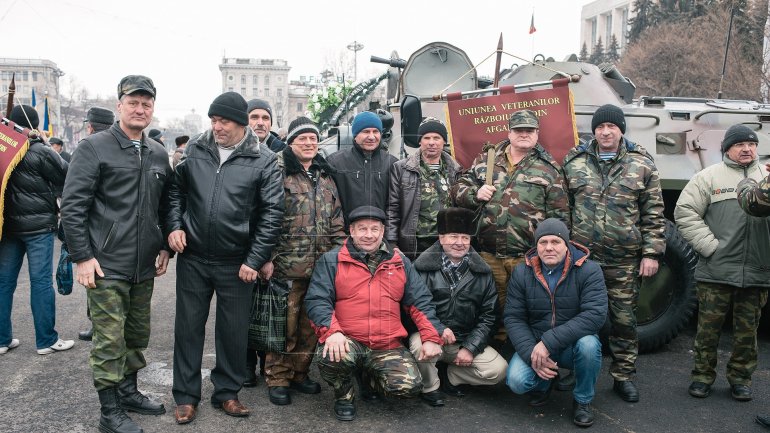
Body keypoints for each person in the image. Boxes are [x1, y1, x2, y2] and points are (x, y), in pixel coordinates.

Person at [61, 75, 171, 433]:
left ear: (152, 108)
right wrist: (81, 256)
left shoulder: (156, 151)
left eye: (146, 103)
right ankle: (109, 413)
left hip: (143, 264)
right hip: (105, 264)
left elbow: (167, 203)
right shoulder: (94, 147)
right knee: (110, 339)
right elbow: (73, 207)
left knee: (137, 334)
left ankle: (128, 392)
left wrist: (166, 245)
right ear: (119, 105)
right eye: (133, 102)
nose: (140, 109)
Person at [167, 91, 284, 424]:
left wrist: (255, 257)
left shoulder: (263, 160)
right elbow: (176, 192)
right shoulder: (195, 149)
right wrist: (174, 226)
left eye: (225, 121)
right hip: (193, 257)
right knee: (188, 328)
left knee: (233, 331)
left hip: (237, 262)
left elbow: (272, 213)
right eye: (214, 120)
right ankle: (186, 396)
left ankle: (227, 393)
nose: (217, 127)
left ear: (242, 123)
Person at [562, 104, 665, 402]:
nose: (606, 132)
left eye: (612, 127)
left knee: (624, 320)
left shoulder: (641, 163)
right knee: (575, 318)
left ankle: (623, 376)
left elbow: (654, 212)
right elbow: (562, 209)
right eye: (600, 127)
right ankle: (572, 370)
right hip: (582, 259)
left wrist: (652, 253)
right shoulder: (575, 161)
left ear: (621, 129)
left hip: (624, 260)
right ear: (593, 130)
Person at [305, 205, 444, 421]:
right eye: (362, 229)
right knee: (331, 357)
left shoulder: (400, 262)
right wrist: (332, 332)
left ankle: (368, 378)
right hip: (348, 339)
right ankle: (344, 396)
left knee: (408, 387)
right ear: (351, 231)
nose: (368, 235)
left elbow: (420, 301)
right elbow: (317, 300)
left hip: (386, 343)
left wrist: (430, 337)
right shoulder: (332, 260)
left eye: (374, 229)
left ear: (382, 232)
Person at [453, 109, 569, 342]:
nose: (524, 134)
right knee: (489, 311)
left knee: (526, 313)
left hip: (526, 258)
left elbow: (560, 217)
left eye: (529, 130)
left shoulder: (549, 169)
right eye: (519, 130)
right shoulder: (487, 160)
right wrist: (475, 193)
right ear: (509, 132)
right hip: (488, 255)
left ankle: (524, 359)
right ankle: (493, 365)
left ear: (537, 134)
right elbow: (457, 191)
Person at [675, 124, 770, 402]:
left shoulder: (766, 177)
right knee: (707, 331)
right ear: (727, 148)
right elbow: (685, 212)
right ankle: (702, 378)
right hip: (716, 270)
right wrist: (710, 248)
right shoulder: (708, 177)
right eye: (740, 144)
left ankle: (741, 380)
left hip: (757, 270)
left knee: (747, 333)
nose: (747, 149)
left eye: (751, 144)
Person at [255, 116, 346, 405]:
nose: (308, 143)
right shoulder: (276, 171)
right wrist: (265, 257)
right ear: (291, 142)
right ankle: (278, 377)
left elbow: (337, 219)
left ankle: (299, 373)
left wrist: (339, 256)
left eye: (313, 138)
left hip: (321, 266)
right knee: (284, 325)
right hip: (286, 265)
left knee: (311, 325)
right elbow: (264, 217)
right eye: (302, 138)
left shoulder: (325, 173)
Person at [504, 218, 606, 427]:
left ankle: (582, 400)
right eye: (543, 242)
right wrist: (530, 353)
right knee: (516, 381)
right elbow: (514, 317)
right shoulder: (522, 272)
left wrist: (548, 343)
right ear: (536, 246)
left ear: (566, 245)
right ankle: (544, 382)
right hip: (536, 343)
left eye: (555, 242)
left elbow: (595, 315)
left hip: (571, 344)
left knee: (589, 345)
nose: (549, 247)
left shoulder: (589, 270)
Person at [409, 207, 507, 407]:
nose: (459, 243)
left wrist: (471, 348)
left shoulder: (483, 272)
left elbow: (490, 315)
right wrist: (436, 330)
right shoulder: (420, 267)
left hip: (463, 339)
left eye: (465, 237)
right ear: (441, 237)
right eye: (454, 236)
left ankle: (452, 376)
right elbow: (416, 305)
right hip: (429, 336)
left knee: (498, 370)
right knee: (420, 345)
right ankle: (431, 386)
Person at [0, 104, 71, 356]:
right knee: (40, 281)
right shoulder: (39, 150)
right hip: (38, 227)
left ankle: (2, 339)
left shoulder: (4, 150)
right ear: (34, 125)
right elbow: (65, 175)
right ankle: (46, 340)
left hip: (7, 226)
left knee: (4, 282)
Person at [387, 117, 462, 260]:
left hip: (447, 245)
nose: (431, 142)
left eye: (437, 137)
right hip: (415, 246)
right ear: (419, 141)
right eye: (426, 137)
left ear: (444, 141)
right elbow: (392, 208)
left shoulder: (456, 170)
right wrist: (392, 243)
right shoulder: (402, 169)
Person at [77, 106, 117, 343]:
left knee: (96, 284)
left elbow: (74, 203)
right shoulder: (112, 146)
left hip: (95, 234)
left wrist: (80, 252)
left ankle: (97, 324)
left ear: (90, 126)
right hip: (112, 235)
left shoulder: (88, 147)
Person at [327, 111, 398, 225]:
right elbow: (330, 205)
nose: (371, 136)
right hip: (345, 236)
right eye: (365, 131)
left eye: (376, 131)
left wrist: (389, 238)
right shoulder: (335, 163)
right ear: (355, 135)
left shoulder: (393, 164)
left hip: (381, 236)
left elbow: (395, 207)